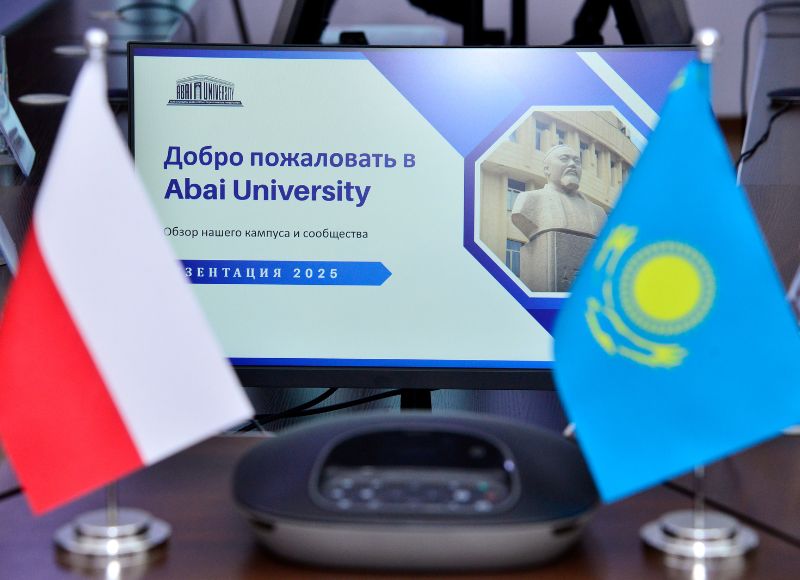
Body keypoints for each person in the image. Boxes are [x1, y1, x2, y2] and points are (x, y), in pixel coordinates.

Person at [511, 144, 606, 243]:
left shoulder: (599, 213)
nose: (573, 164)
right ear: (547, 169)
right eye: (564, 159)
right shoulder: (529, 200)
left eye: (577, 161)